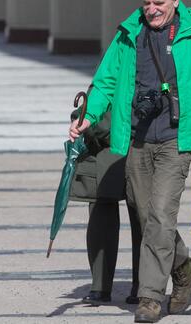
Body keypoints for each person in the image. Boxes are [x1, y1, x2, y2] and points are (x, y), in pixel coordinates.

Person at [68, 0, 191, 323]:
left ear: (176, 0)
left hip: (177, 139)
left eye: (159, 2)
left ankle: (150, 297)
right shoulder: (129, 33)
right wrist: (88, 115)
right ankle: (185, 269)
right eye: (146, 2)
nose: (152, 9)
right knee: (147, 218)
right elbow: (106, 80)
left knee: (160, 216)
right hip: (137, 138)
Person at [68, 110, 142, 306]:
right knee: (102, 215)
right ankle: (101, 285)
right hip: (106, 149)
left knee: (144, 218)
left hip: (140, 142)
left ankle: (144, 286)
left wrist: (92, 125)